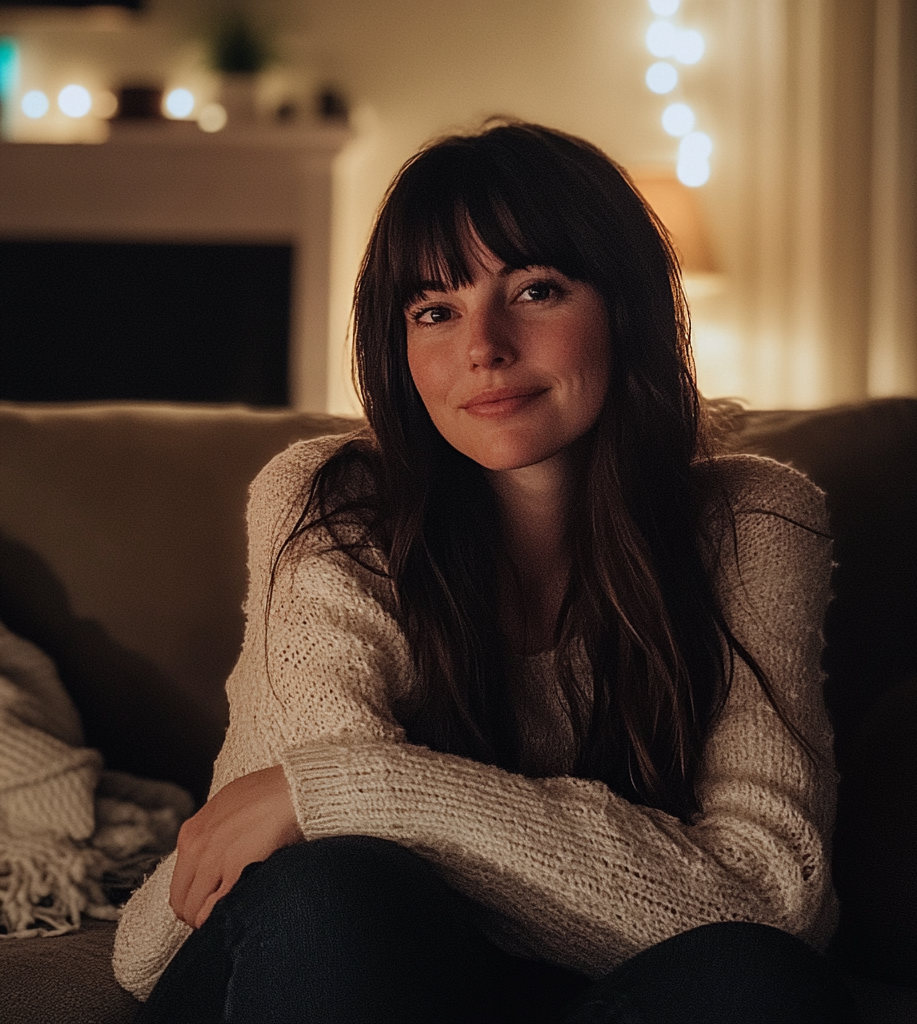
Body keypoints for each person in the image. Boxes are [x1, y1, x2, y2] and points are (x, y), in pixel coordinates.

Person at [114, 121, 858, 1022]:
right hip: (305, 962)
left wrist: (357, 787)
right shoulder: (332, 502)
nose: (485, 348)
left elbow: (772, 900)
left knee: (757, 978)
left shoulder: (753, 521)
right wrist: (616, 881)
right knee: (340, 892)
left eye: (536, 290)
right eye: (435, 309)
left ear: (628, 307)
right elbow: (305, 872)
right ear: (401, 348)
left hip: (574, 996)